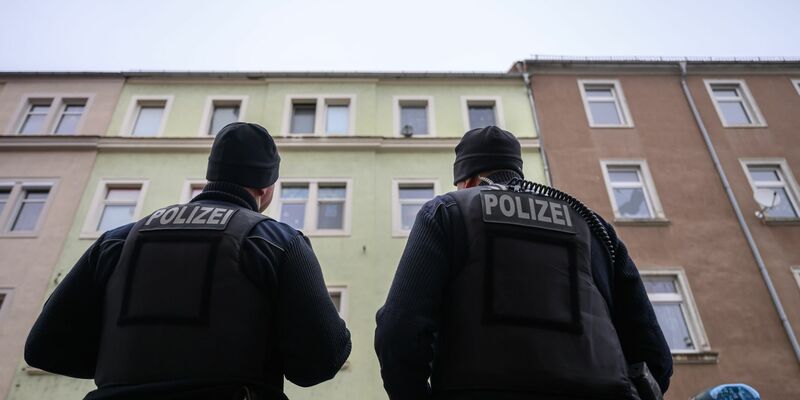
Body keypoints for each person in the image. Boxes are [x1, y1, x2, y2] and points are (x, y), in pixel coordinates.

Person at [25, 123, 351, 400]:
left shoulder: (118, 240)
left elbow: (43, 347)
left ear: (209, 177)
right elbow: (319, 362)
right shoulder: (277, 242)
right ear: (266, 189)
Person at [374, 126, 672, 400]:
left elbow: (399, 330)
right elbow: (653, 354)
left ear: (466, 181)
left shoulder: (447, 211)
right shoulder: (593, 227)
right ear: (517, 169)